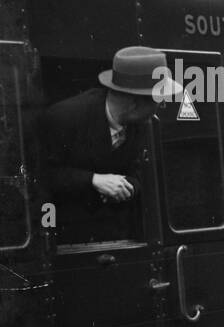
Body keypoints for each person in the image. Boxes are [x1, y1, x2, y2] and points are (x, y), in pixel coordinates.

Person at [38, 45, 182, 241]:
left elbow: (139, 175)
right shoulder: (63, 118)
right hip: (63, 238)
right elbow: (41, 177)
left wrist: (125, 187)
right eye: (158, 100)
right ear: (134, 103)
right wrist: (94, 180)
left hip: (112, 236)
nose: (160, 107)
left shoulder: (142, 124)